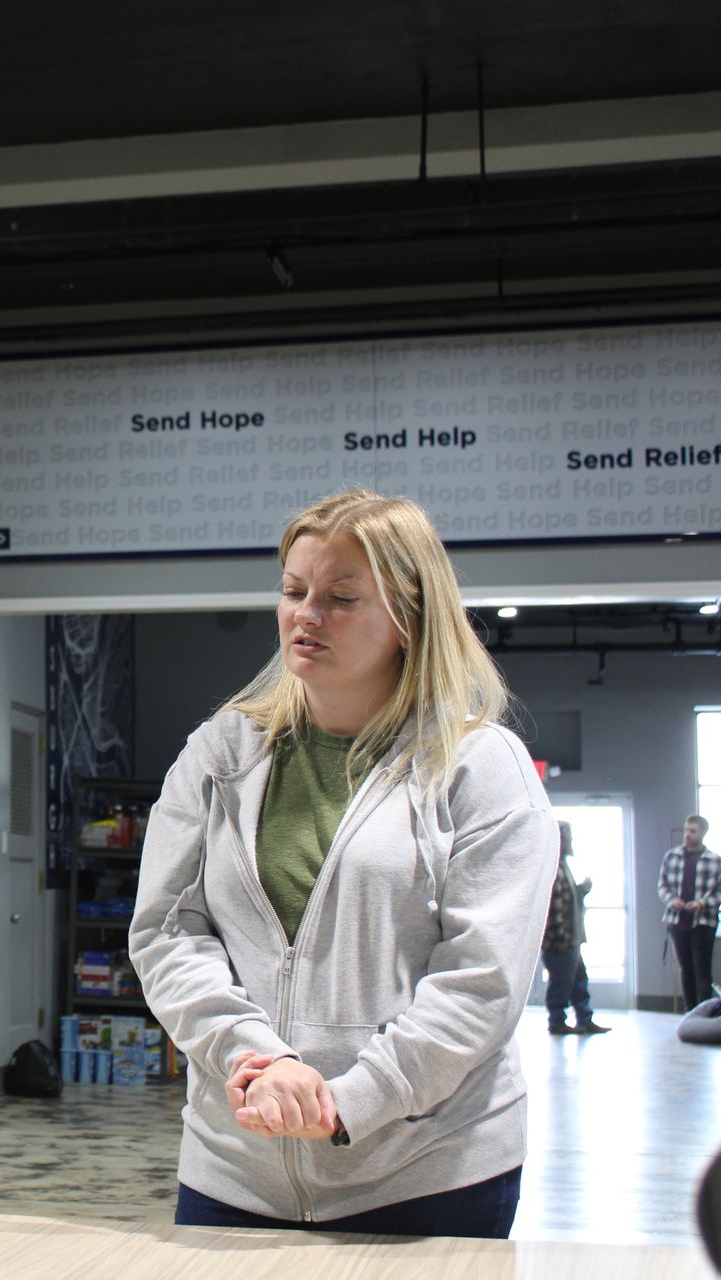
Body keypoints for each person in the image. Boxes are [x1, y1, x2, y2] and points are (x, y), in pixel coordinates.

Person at [130, 489, 556, 1238]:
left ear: (409, 618)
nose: (306, 615)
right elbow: (168, 931)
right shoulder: (221, 753)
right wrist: (258, 1061)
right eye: (294, 591)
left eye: (342, 597)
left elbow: (481, 981)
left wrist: (348, 1101)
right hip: (238, 1165)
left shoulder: (480, 767)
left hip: (427, 1170)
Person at [541, 821, 607, 1035]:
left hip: (570, 938)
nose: (571, 841)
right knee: (560, 983)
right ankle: (557, 1022)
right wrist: (559, 938)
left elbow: (566, 901)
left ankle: (584, 1019)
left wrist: (581, 891)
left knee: (579, 980)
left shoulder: (562, 866)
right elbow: (551, 907)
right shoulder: (550, 867)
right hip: (560, 941)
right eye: (568, 836)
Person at [660, 815, 720, 1011]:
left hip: (704, 921)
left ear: (703, 833)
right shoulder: (672, 856)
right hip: (678, 920)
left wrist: (702, 903)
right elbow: (663, 885)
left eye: (693, 831)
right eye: (686, 830)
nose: (687, 834)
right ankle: (689, 1011)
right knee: (685, 968)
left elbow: (719, 891)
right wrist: (671, 900)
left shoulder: (714, 860)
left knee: (701, 969)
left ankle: (704, 1013)